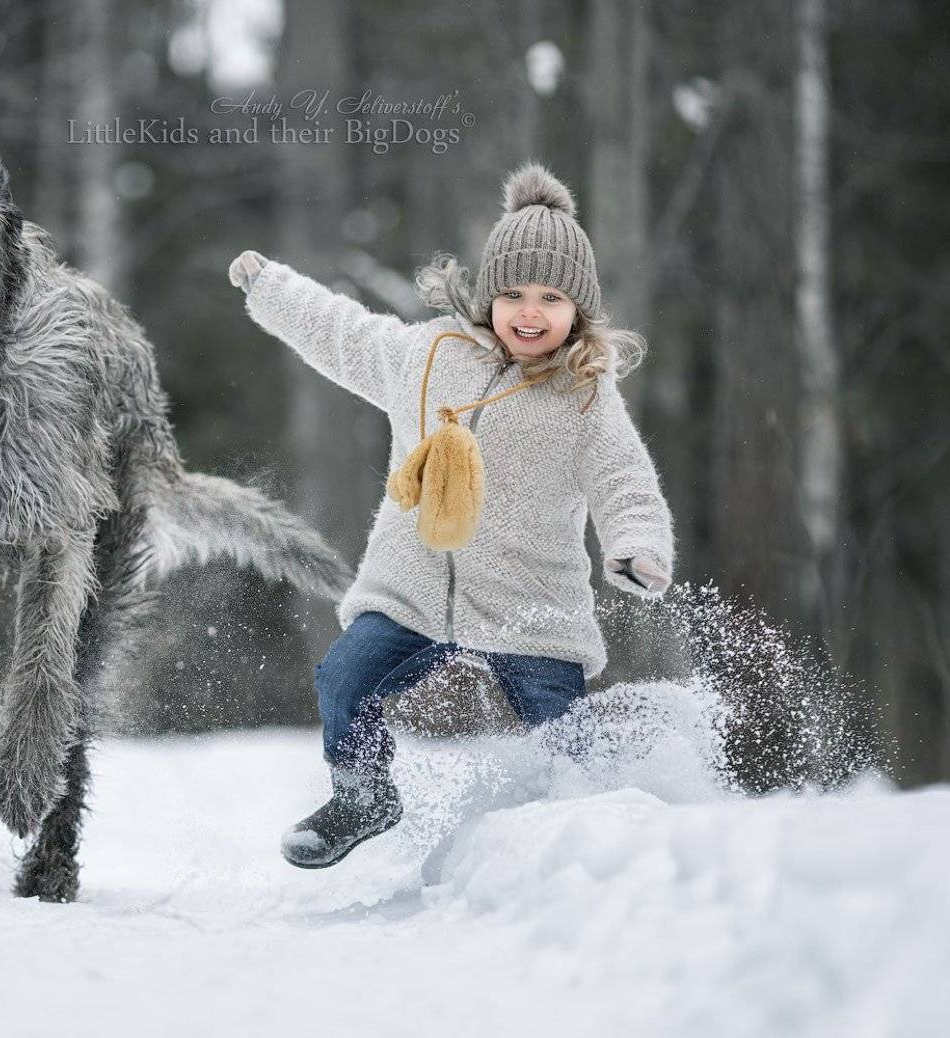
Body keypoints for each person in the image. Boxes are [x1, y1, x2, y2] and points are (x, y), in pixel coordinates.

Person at [227, 161, 675, 869]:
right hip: (413, 584)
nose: (531, 312)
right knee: (345, 678)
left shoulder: (585, 395)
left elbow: (625, 480)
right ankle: (362, 793)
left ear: (579, 312)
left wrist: (636, 544)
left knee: (564, 741)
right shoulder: (429, 355)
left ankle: (601, 841)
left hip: (533, 603)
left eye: (552, 298)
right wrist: (271, 287)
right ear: (487, 296)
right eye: (515, 294)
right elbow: (343, 333)